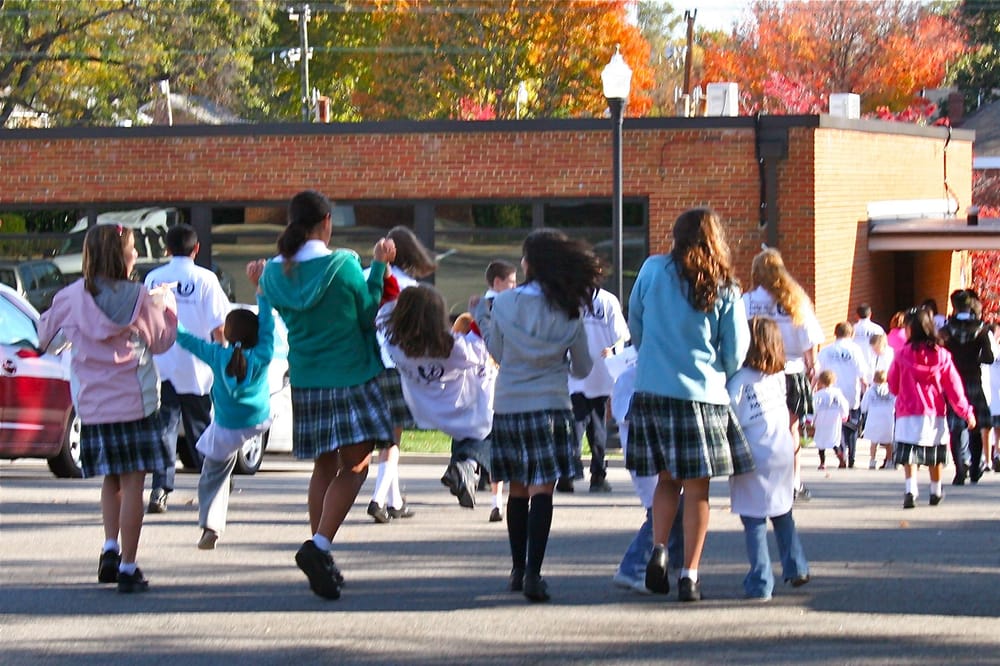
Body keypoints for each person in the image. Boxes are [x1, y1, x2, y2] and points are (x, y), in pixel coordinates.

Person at [258, 190, 396, 600]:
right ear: (326, 222)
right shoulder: (343, 265)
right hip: (351, 375)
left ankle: (321, 549)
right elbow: (370, 311)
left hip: (307, 378)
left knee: (323, 466)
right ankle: (319, 546)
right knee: (356, 467)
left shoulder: (271, 274)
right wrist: (380, 266)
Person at [39, 223, 178, 593]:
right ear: (122, 255)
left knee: (111, 479)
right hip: (135, 402)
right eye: (132, 248)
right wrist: (168, 307)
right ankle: (129, 568)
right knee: (134, 482)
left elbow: (45, 337)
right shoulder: (143, 297)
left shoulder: (69, 297)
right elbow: (162, 342)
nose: (136, 254)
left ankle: (109, 548)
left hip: (93, 404)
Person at [627, 207, 752, 603]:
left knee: (666, 480)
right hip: (702, 395)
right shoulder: (725, 285)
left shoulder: (650, 270)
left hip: (653, 390)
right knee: (698, 492)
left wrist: (652, 354)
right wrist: (719, 370)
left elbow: (636, 325)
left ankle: (660, 549)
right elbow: (735, 351)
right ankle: (690, 575)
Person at [476, 228, 602, 603]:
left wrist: (483, 321)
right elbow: (581, 368)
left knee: (516, 487)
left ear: (530, 264)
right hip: (551, 404)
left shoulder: (505, 303)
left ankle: (516, 569)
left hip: (511, 402)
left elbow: (496, 349)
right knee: (542, 489)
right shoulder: (568, 308)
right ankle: (535, 572)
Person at [173, 271, 274, 550]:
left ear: (226, 333)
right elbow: (267, 326)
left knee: (212, 475)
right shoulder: (263, 353)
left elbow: (186, 340)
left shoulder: (218, 355)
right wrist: (261, 291)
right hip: (258, 421)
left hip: (228, 427)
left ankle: (211, 525)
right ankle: (213, 522)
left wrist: (168, 313)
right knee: (224, 460)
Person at [383, 286, 497, 513]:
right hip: (461, 406)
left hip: (424, 408)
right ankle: (466, 467)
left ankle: (464, 472)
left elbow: (387, 302)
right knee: (488, 431)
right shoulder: (452, 347)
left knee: (469, 438)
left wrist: (384, 271)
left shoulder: (395, 345)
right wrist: (478, 314)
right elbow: (482, 347)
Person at [143, 223, 231, 514]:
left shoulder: (154, 278)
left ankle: (160, 489)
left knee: (164, 429)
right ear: (196, 249)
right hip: (198, 366)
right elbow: (220, 325)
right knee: (201, 429)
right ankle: (214, 485)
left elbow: (143, 321)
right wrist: (224, 356)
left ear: (167, 249)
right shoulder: (206, 279)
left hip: (162, 364)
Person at [728, 317, 810, 601]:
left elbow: (731, 418)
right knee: (782, 512)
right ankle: (796, 564)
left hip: (754, 453)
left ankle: (761, 580)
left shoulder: (738, 381)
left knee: (754, 519)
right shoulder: (777, 377)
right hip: (782, 450)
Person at [742, 247, 824, 503]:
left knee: (759, 427)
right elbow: (810, 342)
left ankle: (763, 479)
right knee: (790, 429)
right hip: (791, 372)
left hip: (757, 371)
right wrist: (813, 369)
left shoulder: (747, 301)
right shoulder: (795, 301)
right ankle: (794, 482)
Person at [367, 226, 436, 523]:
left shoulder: (368, 277)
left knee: (386, 437)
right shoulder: (410, 288)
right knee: (393, 438)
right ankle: (378, 498)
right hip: (398, 365)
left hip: (370, 363)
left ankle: (394, 501)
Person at [609, 357, 684, 594]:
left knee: (678, 509)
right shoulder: (630, 375)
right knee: (658, 513)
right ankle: (632, 568)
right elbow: (622, 411)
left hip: (662, 450)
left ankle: (671, 565)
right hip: (642, 453)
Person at [890, 307, 975, 508]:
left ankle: (911, 489)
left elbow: (893, 384)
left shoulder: (902, 354)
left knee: (910, 452)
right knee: (934, 453)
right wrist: (967, 412)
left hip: (907, 410)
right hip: (934, 411)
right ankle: (935, 490)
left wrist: (901, 391)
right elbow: (954, 388)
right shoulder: (942, 356)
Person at [564, 286, 629, 493]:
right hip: (600, 371)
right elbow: (621, 335)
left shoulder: (569, 299)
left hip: (578, 368)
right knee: (597, 425)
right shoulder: (608, 300)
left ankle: (568, 472)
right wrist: (614, 351)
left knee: (578, 422)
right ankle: (597, 476)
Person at [467, 259, 518, 521]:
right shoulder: (492, 308)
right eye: (511, 282)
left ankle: (494, 498)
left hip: (485, 379)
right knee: (495, 440)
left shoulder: (479, 307)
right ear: (497, 283)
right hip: (494, 378)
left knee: (488, 438)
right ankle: (496, 500)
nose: (515, 286)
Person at [939, 289, 994, 484]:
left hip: (953, 380)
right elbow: (989, 357)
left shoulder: (946, 330)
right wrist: (974, 359)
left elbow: (941, 354)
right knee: (975, 424)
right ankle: (976, 468)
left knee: (955, 425)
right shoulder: (981, 328)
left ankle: (960, 469)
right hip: (973, 378)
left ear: (954, 306)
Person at [816, 322, 870, 468]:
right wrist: (866, 390)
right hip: (851, 393)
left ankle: (841, 451)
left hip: (831, 393)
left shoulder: (826, 351)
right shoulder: (855, 350)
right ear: (851, 334)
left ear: (835, 333)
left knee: (835, 426)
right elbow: (863, 374)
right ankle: (851, 456)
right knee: (851, 427)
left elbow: (817, 371)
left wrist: (813, 387)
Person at [812, 370, 850, 470]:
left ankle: (822, 463)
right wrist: (844, 415)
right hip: (834, 419)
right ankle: (841, 458)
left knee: (821, 442)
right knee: (834, 441)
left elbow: (813, 407)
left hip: (821, 420)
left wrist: (811, 419)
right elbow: (844, 404)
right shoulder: (837, 393)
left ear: (820, 381)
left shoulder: (818, 395)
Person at [861, 370, 896, 470]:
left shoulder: (870, 391)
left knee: (874, 442)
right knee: (889, 442)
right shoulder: (891, 390)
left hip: (874, 419)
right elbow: (896, 403)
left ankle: (872, 460)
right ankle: (889, 461)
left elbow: (864, 406)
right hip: (887, 418)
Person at [853, 303, 885, 370]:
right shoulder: (877, 329)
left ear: (857, 315)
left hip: (856, 366)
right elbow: (883, 347)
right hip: (873, 365)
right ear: (870, 314)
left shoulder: (852, 329)